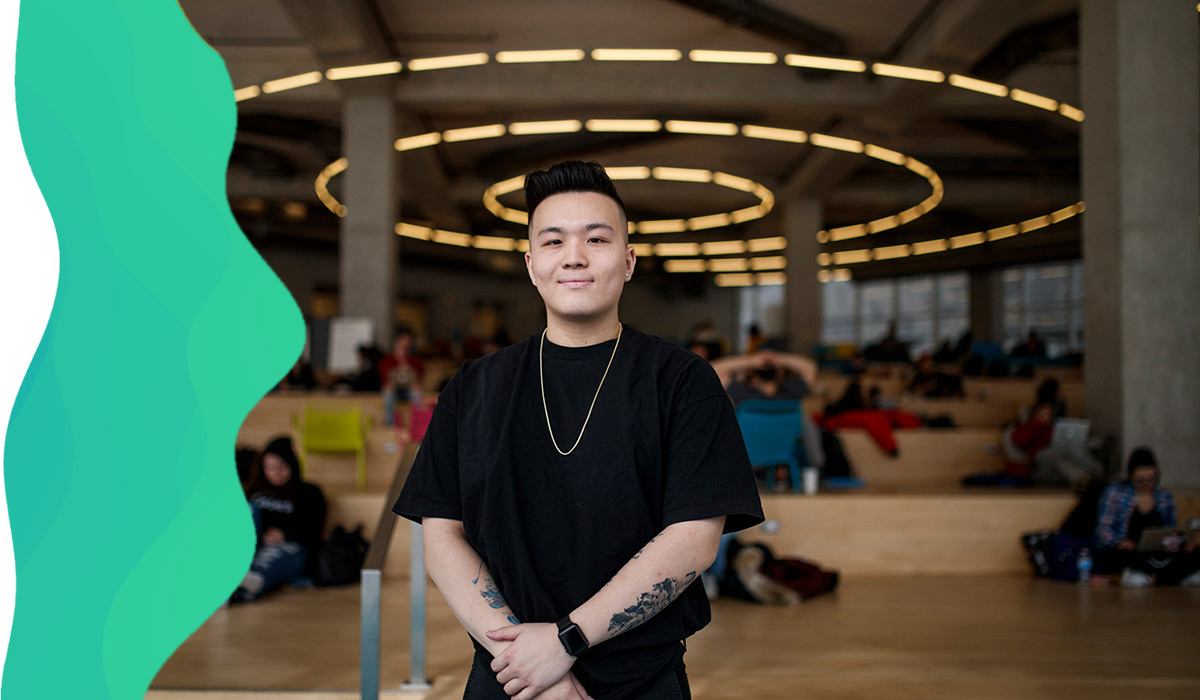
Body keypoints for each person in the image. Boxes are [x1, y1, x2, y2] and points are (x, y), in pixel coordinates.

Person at [393, 161, 764, 700]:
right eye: (553, 241)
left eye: (596, 238)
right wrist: (527, 664)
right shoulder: (474, 386)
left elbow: (695, 538)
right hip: (508, 677)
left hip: (642, 678)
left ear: (629, 261)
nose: (574, 256)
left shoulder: (682, 380)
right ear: (530, 264)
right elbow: (442, 533)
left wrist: (565, 642)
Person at [710, 349, 823, 485]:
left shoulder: (743, 395)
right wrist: (779, 359)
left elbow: (713, 369)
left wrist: (752, 361)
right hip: (784, 453)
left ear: (754, 376)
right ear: (780, 373)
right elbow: (810, 367)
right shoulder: (792, 394)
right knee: (807, 423)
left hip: (747, 453)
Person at [235, 436, 327, 602]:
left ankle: (249, 583)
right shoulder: (254, 489)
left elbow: (314, 527)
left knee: (271, 559)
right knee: (248, 510)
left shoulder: (308, 492)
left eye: (281, 467)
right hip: (253, 543)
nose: (276, 472)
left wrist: (285, 534)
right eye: (270, 467)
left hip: (290, 547)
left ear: (292, 465)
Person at [1095, 447, 1200, 588]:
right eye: (1140, 480)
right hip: (1130, 552)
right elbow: (1103, 529)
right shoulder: (1116, 493)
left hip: (1158, 553)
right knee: (1115, 557)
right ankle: (1165, 577)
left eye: (1151, 479)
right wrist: (1119, 542)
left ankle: (1156, 577)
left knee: (1195, 553)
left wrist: (1181, 542)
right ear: (1131, 476)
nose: (1146, 485)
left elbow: (1172, 530)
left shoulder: (1164, 497)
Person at [380, 328, 425, 427]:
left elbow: (420, 375)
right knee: (387, 393)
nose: (405, 345)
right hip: (393, 391)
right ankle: (390, 424)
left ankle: (418, 423)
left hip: (408, 391)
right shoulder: (388, 360)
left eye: (407, 342)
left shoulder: (414, 361)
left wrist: (416, 383)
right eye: (402, 342)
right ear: (397, 343)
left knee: (417, 394)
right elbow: (384, 378)